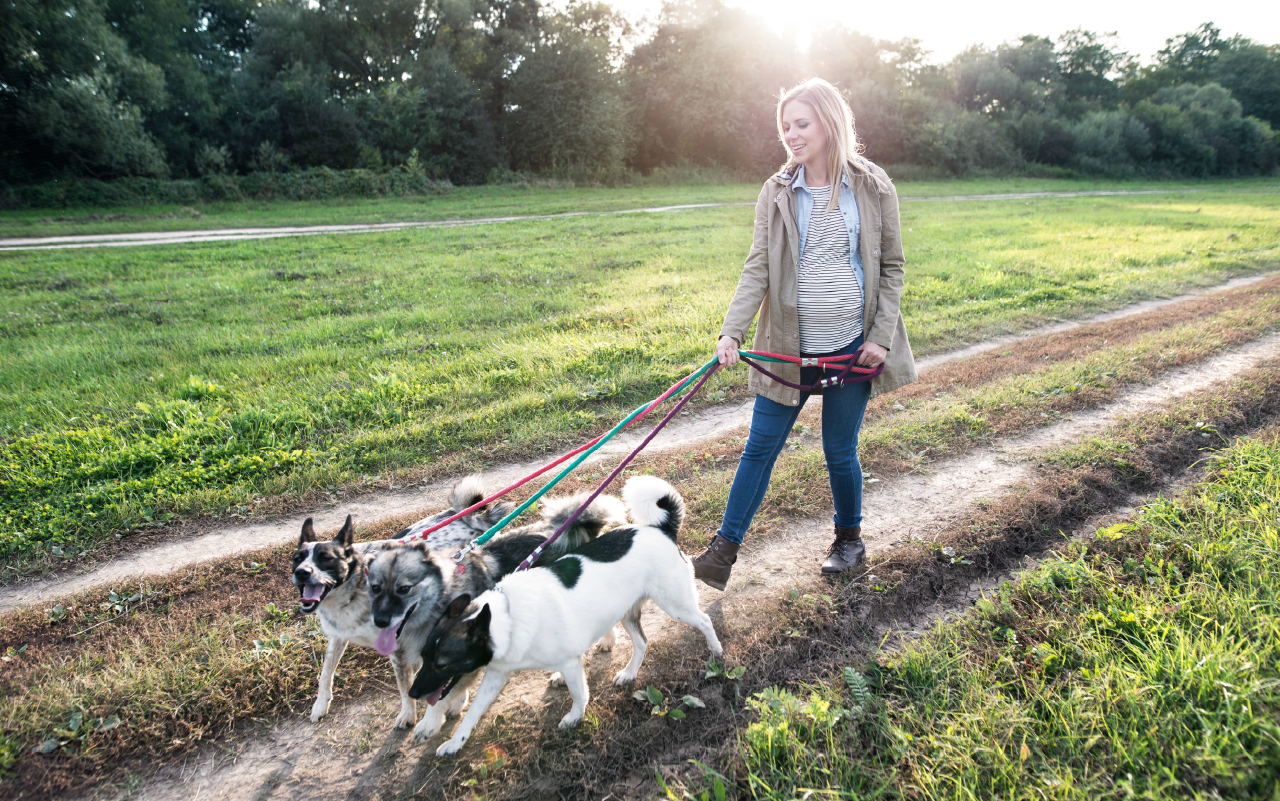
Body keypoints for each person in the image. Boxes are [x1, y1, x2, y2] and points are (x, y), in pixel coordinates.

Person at [691, 78, 918, 590]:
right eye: (785, 126)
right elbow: (757, 266)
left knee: (839, 449)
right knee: (759, 447)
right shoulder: (776, 191)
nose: (791, 135)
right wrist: (731, 332)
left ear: (829, 123)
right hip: (787, 350)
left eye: (801, 124)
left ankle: (849, 542)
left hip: (851, 348)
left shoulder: (874, 185)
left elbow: (892, 267)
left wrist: (880, 338)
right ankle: (722, 553)